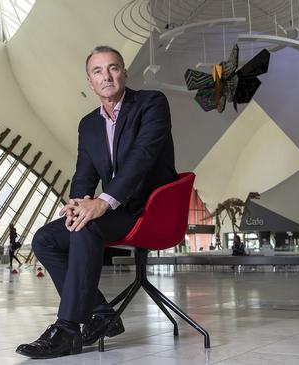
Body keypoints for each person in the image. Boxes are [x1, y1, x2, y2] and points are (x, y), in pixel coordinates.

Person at [16, 46, 178, 359]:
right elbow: (84, 173)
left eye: (113, 68)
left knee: (87, 229)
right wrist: (78, 203)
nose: (107, 76)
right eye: (98, 71)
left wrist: (103, 202)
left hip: (151, 211)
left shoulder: (151, 103)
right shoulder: (88, 124)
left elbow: (142, 157)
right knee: (45, 238)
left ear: (124, 73)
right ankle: (102, 313)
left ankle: (67, 329)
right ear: (90, 82)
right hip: (116, 212)